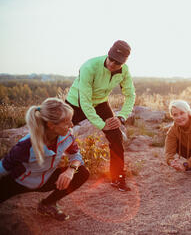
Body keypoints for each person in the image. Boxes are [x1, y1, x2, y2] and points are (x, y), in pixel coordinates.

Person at [0, 98, 89, 221]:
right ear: (51, 125)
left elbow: (76, 155)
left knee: (82, 173)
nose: (71, 125)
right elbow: (3, 167)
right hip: (19, 183)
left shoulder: (67, 135)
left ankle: (47, 204)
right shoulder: (26, 145)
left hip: (46, 180)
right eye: (66, 122)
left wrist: (70, 170)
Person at [65, 40, 135, 192]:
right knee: (57, 135)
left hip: (101, 103)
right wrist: (102, 125)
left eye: (117, 63)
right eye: (111, 59)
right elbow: (85, 102)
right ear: (108, 54)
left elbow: (130, 95)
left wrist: (121, 116)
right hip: (75, 104)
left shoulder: (124, 71)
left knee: (116, 136)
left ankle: (117, 178)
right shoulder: (89, 67)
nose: (112, 64)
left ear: (123, 63)